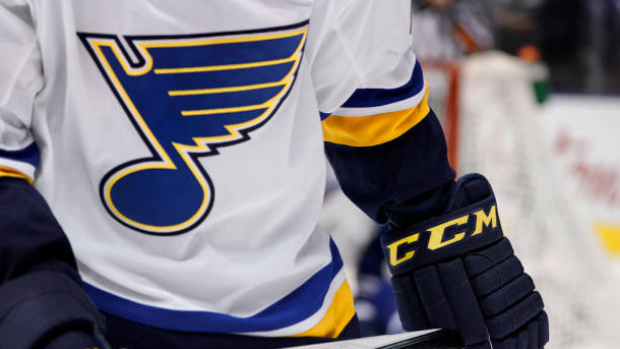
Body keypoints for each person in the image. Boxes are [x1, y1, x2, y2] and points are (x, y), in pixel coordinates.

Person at [0, 1, 548, 348]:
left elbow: (371, 99)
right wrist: (32, 301)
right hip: (99, 319)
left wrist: (431, 212)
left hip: (303, 325)